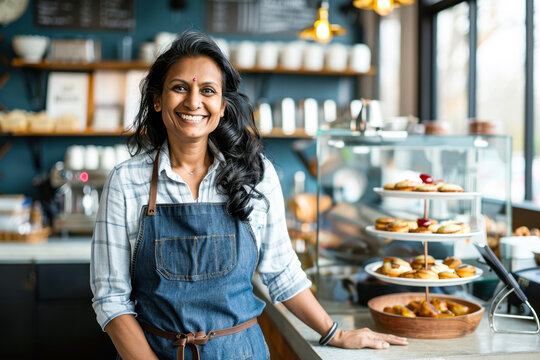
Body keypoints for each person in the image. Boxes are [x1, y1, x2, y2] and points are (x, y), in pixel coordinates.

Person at [90, 30, 407, 360]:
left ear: (223, 106)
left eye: (207, 91)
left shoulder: (255, 175)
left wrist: (334, 332)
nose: (193, 101)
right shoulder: (126, 181)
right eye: (179, 87)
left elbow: (282, 273)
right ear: (158, 99)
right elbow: (111, 298)